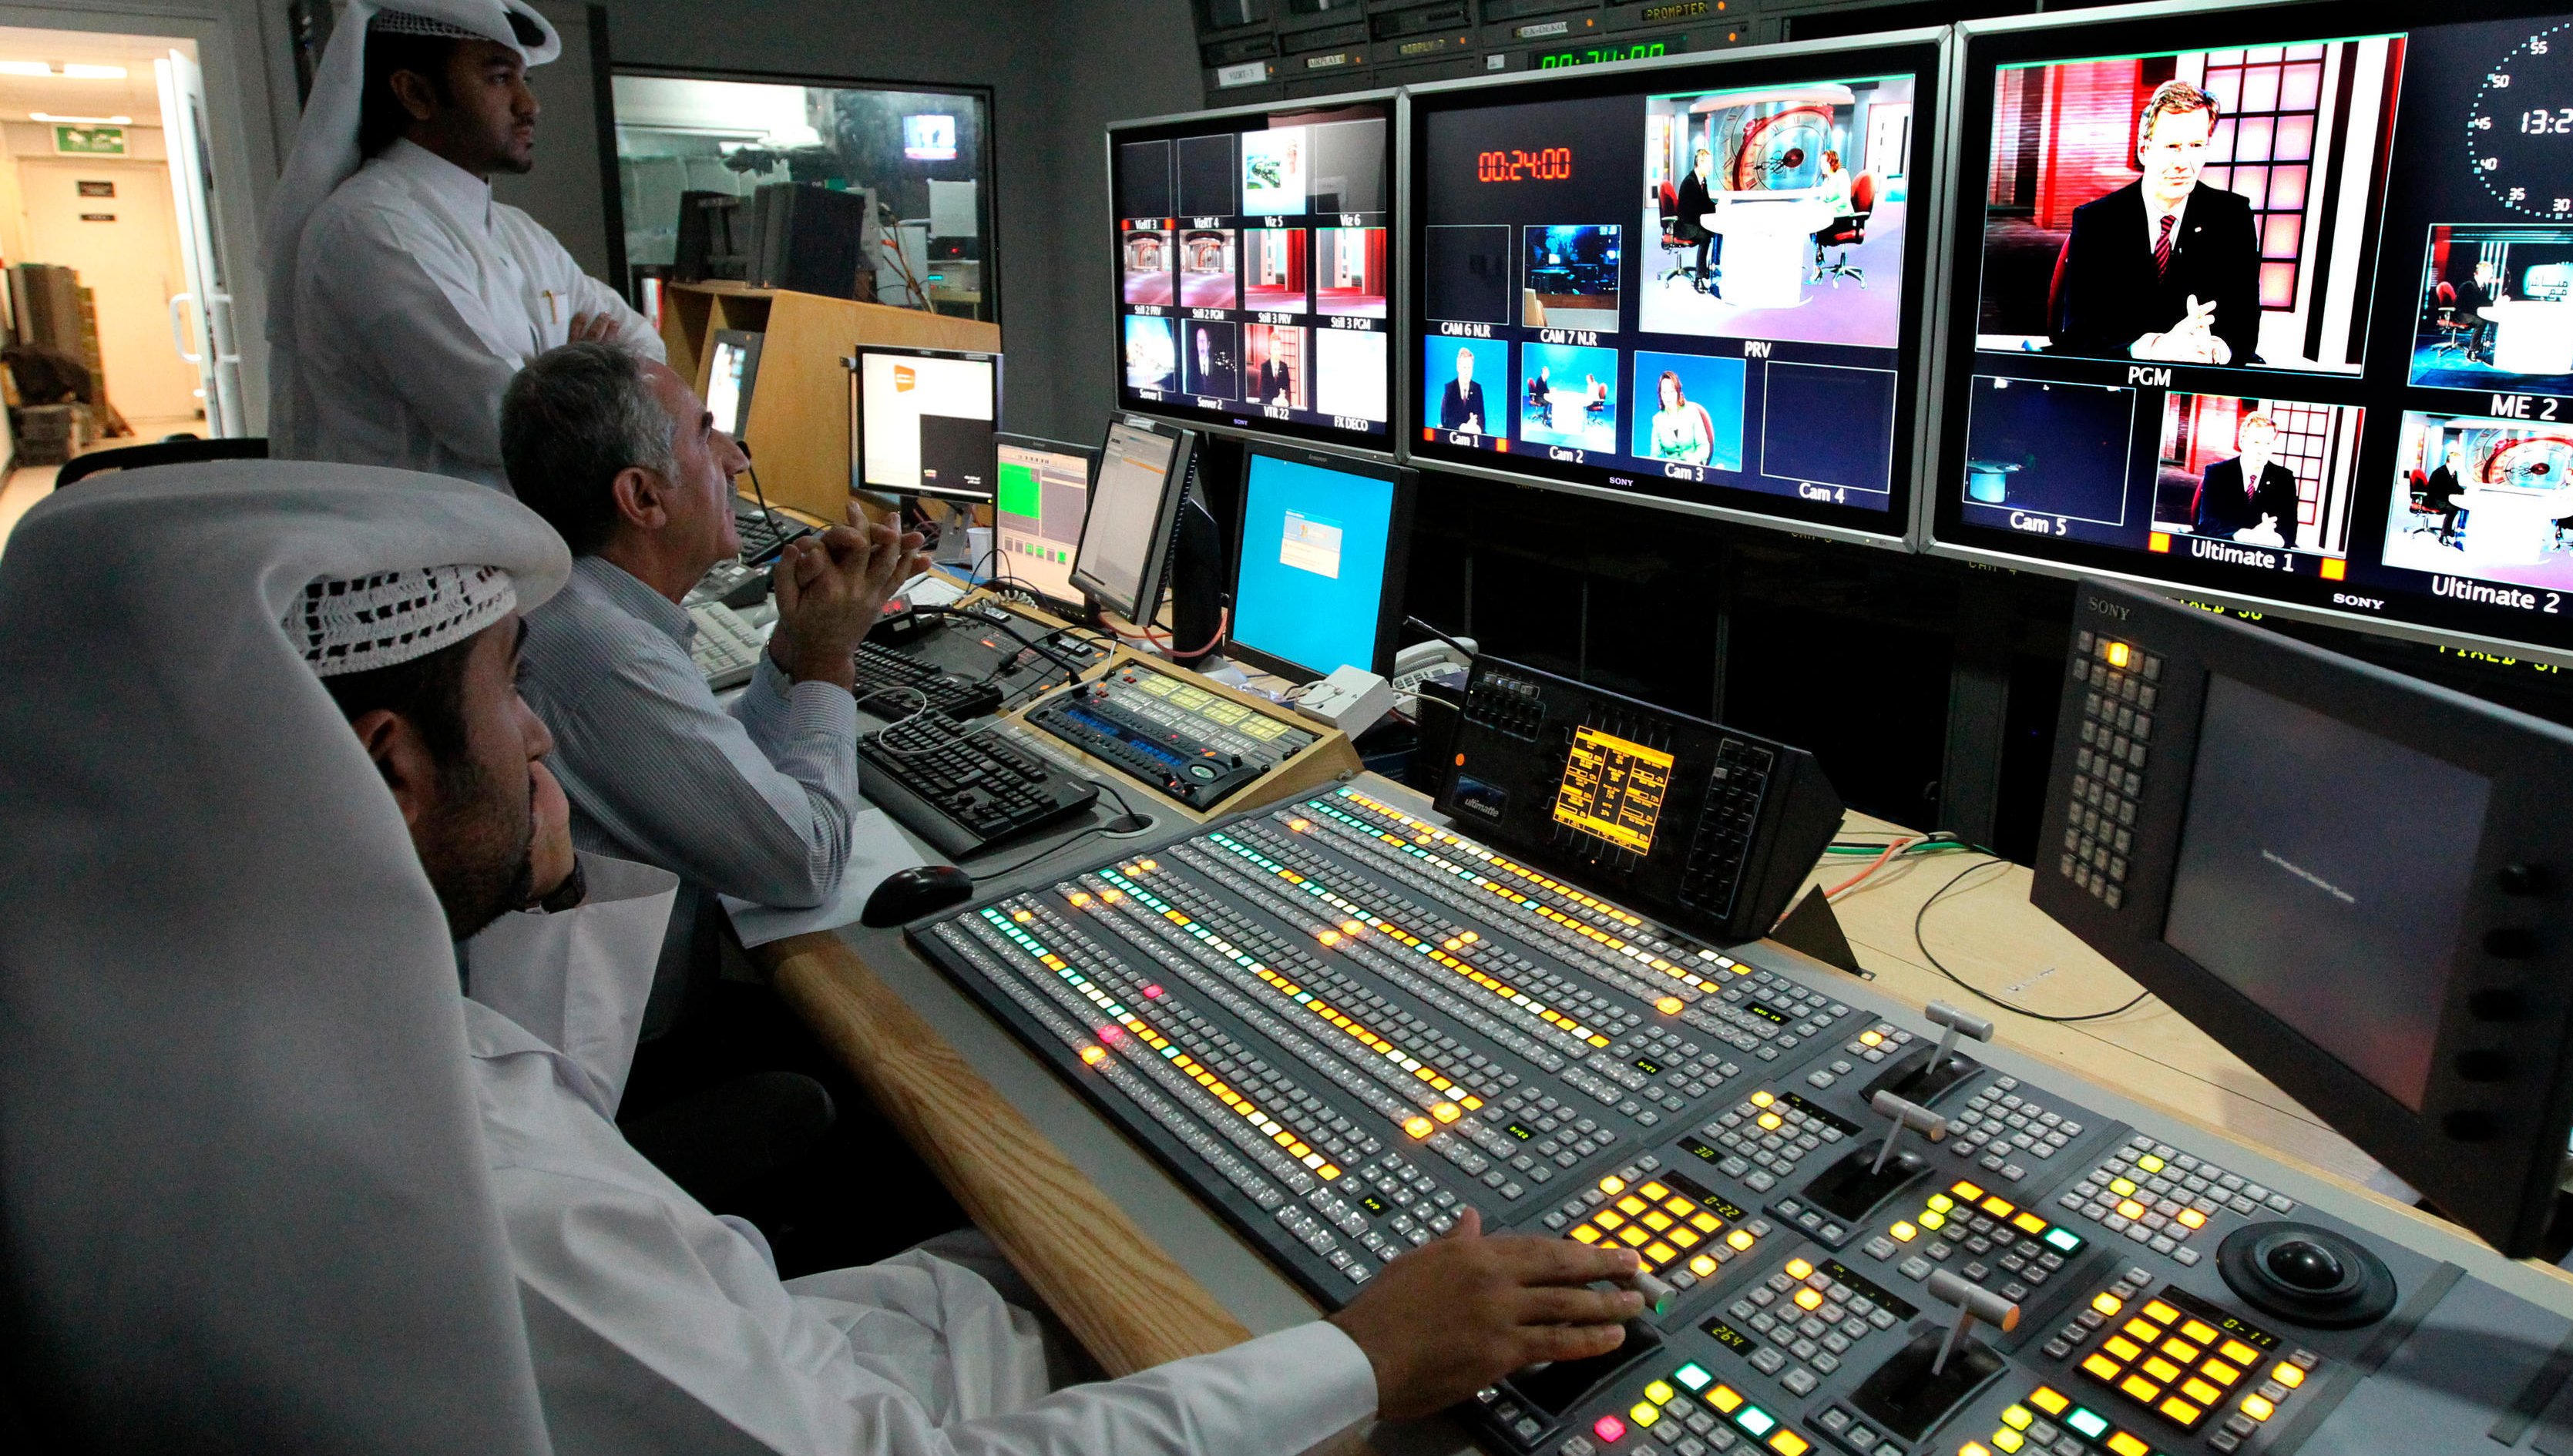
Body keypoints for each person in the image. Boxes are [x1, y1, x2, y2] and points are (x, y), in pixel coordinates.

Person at [0, 460, 1650, 1451]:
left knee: (1105, 1250)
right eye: (515, 696)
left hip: (806, 1351)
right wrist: (1363, 1356)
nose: (543, 739)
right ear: (381, 768)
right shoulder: (468, 1194)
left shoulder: (181, 1048)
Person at [501, 342, 919, 1036]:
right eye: (705, 433)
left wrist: (790, 649)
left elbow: (727, 779)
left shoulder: (587, 607)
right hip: (637, 1060)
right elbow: (806, 861)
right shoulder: (606, 654)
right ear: (642, 497)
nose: (736, 458)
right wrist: (826, 659)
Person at [265, 0, 663, 491]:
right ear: (416, 93)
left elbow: (646, 348)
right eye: (499, 78)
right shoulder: (370, 229)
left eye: (525, 79)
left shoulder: (518, 232)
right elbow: (504, 426)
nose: (530, 105)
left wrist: (562, 379)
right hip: (419, 560)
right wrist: (586, 372)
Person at [2047, 81, 2262, 366]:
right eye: (2172, 146)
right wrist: (2152, 347)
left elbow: (2244, 326)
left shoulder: (2233, 216)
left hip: (2200, 379)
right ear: (2144, 150)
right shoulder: (2096, 221)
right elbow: (2079, 333)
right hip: (2121, 379)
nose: (2183, 162)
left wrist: (2215, 349)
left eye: (2196, 146)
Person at [2192, 412, 2300, 548]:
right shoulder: (2217, 473)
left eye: (2267, 443)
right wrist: (2246, 536)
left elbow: (2290, 529)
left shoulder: (2285, 479)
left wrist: (2274, 539)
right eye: (2256, 442)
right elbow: (2207, 523)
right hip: (2224, 549)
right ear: (2242, 442)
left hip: (2266, 554)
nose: (2261, 450)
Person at [1647, 368, 1715, 466]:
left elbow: (1704, 446)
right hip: (1670, 472)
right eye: (1664, 393)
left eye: (1672, 392)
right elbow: (1655, 455)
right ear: (1660, 394)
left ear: (1678, 392)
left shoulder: (1692, 412)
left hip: (1694, 467)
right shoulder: (1657, 420)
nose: (1668, 397)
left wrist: (1695, 459)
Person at [1678, 143, 1721, 293]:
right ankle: (1699, 278)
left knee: (1716, 232)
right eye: (1708, 164)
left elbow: (1705, 202)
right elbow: (1692, 211)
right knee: (1706, 237)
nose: (1710, 167)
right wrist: (1711, 216)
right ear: (1700, 162)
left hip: (1694, 220)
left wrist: (1718, 208)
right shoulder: (1690, 182)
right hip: (1685, 225)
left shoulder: (1702, 180)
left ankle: (1713, 266)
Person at [1439, 344, 1489, 434]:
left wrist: (1476, 426)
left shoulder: (1477, 388)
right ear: (1458, 367)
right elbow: (1447, 420)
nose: (1467, 372)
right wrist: (1464, 427)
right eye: (1464, 368)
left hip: (1474, 434)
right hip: (1454, 434)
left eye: (1469, 368)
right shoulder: (1450, 388)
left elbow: (1481, 417)